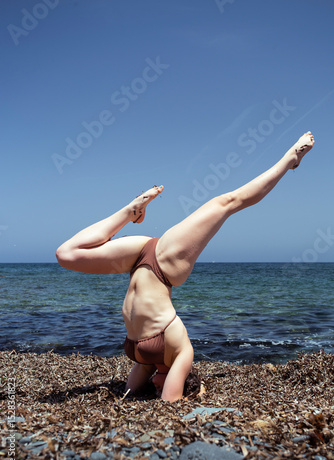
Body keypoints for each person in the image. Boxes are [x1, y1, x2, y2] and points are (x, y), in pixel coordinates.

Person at [56, 132, 315, 402]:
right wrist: (194, 393)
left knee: (66, 254)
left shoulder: (146, 362)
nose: (156, 387)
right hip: (166, 264)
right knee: (227, 203)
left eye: (154, 387)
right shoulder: (182, 355)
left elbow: (129, 394)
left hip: (139, 261)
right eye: (159, 386)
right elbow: (170, 404)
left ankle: (130, 212)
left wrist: (145, 389)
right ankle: (290, 158)